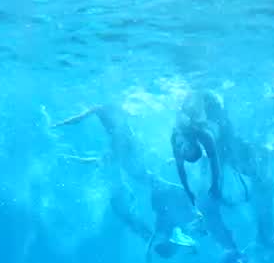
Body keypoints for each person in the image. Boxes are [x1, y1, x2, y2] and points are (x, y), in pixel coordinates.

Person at [51, 103, 155, 241]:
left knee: (126, 210)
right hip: (122, 180)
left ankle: (147, 232)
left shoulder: (109, 113)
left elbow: (79, 120)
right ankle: (146, 233)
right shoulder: (109, 116)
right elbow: (87, 159)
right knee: (125, 212)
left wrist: (60, 125)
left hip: (122, 180)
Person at [171, 91, 255, 206]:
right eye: (188, 148)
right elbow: (214, 162)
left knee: (225, 149)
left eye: (183, 149)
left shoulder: (176, 141)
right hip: (213, 107)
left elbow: (181, 169)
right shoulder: (204, 136)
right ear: (194, 143)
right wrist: (214, 184)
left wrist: (188, 191)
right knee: (227, 148)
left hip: (201, 106)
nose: (182, 147)